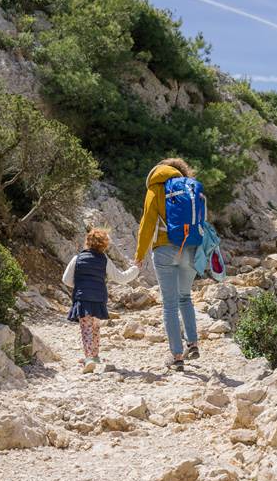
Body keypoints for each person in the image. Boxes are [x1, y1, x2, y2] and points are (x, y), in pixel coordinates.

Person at [134, 158, 201, 371]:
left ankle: (177, 356)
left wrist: (140, 253)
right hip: (189, 248)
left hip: (164, 249)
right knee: (185, 297)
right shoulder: (190, 188)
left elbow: (147, 223)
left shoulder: (155, 188)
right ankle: (193, 343)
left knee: (170, 304)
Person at [63, 228, 139, 373]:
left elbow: (66, 280)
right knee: (95, 327)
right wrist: (135, 269)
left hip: (83, 298)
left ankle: (89, 358)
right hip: (98, 299)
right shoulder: (104, 260)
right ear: (104, 245)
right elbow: (121, 278)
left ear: (87, 242)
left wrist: (79, 285)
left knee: (86, 328)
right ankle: (95, 356)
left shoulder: (77, 258)